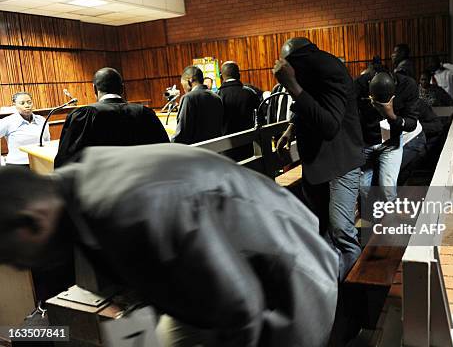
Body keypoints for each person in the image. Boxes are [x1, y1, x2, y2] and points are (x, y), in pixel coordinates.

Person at [0, 144, 338, 347]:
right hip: (218, 287)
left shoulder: (128, 208)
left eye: (12, 254)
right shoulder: (75, 187)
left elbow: (241, 311)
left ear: (32, 221)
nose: (18, 266)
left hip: (285, 285)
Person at [273, 37, 364, 279]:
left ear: (297, 62)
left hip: (340, 162)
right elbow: (311, 101)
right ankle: (330, 285)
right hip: (318, 162)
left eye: (287, 64)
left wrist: (293, 85)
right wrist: (291, 128)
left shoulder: (328, 68)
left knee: (342, 230)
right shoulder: (312, 70)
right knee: (321, 229)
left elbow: (330, 125)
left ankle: (352, 297)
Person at [54, 68, 169, 168]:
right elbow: (164, 150)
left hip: (100, 189)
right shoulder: (145, 113)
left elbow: (66, 162)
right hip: (141, 186)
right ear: (122, 89)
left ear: (94, 89)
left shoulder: (84, 115)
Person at [356, 71, 419, 201]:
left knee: (388, 190)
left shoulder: (407, 86)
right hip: (366, 143)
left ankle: (390, 220)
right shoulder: (359, 85)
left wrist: (390, 115)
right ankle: (372, 219)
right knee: (363, 189)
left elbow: (411, 123)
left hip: (391, 143)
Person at [217, 61, 260, 161]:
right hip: (248, 145)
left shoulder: (217, 96)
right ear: (239, 75)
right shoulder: (250, 93)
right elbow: (260, 117)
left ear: (221, 76)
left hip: (225, 147)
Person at [172, 66, 223, 145]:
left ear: (190, 80)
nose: (183, 88)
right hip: (216, 148)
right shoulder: (217, 97)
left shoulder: (188, 98)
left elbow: (181, 133)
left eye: (183, 84)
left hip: (195, 150)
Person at [0, 92, 49, 167]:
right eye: (22, 103)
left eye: (29, 102)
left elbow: (46, 140)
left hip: (40, 162)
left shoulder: (41, 120)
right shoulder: (7, 121)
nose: (27, 106)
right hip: (17, 165)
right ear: (14, 105)